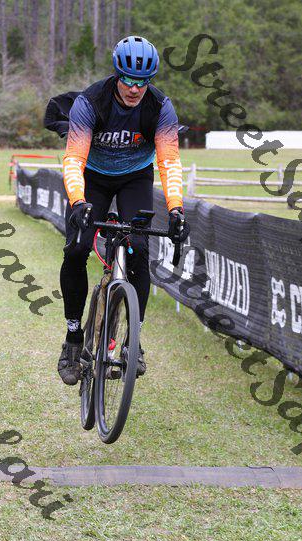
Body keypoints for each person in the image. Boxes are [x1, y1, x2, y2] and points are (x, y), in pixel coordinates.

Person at [58, 35, 190, 385]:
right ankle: (73, 337)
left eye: (143, 82)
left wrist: (176, 209)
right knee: (77, 250)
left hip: (135, 178)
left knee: (139, 251)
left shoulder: (160, 107)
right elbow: (73, 158)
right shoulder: (91, 102)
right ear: (117, 75)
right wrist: (78, 202)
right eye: (129, 80)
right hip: (93, 177)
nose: (135, 89)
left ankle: (134, 341)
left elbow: (169, 162)